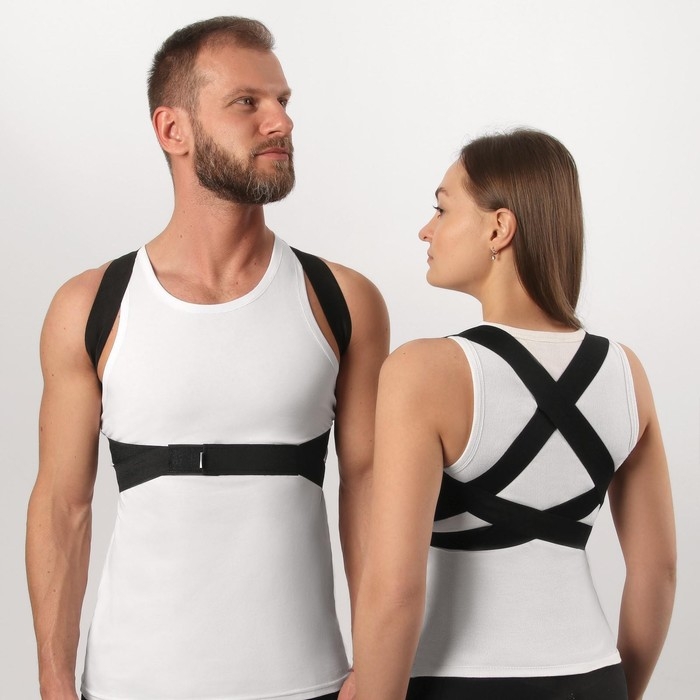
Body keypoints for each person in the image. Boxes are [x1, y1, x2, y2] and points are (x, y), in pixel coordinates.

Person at [26, 16, 388, 700]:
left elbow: (368, 491)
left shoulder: (341, 300)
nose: (280, 122)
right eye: (247, 102)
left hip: (308, 683)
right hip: (131, 685)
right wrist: (52, 680)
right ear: (173, 130)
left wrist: (376, 668)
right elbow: (62, 507)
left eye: (283, 101)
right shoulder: (91, 306)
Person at [352, 129, 675, 699]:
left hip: (460, 683)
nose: (426, 229)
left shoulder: (423, 370)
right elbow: (658, 572)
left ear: (498, 228)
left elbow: (394, 591)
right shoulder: (626, 372)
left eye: (441, 209)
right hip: (595, 677)